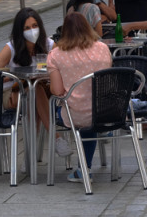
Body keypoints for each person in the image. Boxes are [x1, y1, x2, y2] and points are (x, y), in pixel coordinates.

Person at [47, 12, 112, 183]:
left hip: (76, 113)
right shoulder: (103, 48)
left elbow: (56, 90)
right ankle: (85, 167)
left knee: (64, 107)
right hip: (106, 111)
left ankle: (83, 169)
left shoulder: (55, 55)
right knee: (90, 111)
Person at [0, 8, 54, 134]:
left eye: (35, 26)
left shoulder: (48, 44)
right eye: (27, 28)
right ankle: (55, 137)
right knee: (34, 91)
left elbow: (61, 65)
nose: (32, 31)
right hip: (12, 93)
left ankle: (33, 150)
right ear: (20, 31)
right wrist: (12, 76)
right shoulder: (12, 48)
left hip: (42, 89)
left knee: (35, 90)